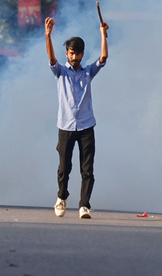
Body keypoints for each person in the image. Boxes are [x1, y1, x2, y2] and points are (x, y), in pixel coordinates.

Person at [46, 14, 108, 220]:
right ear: (67, 53)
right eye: (71, 53)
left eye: (77, 54)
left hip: (86, 126)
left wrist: (103, 34)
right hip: (65, 126)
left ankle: (84, 205)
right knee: (64, 167)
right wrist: (48, 36)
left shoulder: (88, 72)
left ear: (82, 55)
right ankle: (62, 197)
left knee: (87, 169)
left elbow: (103, 58)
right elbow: (51, 59)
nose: (73, 57)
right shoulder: (60, 72)